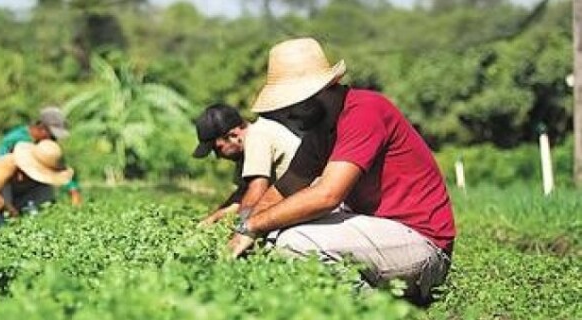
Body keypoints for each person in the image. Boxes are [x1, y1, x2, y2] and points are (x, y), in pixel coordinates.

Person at [229, 37, 456, 303]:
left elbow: (327, 196)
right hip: (382, 236)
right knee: (275, 233)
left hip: (422, 245)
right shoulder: (319, 132)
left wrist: (254, 225)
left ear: (323, 90)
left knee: (294, 242)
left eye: (293, 105)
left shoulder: (365, 111)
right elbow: (283, 189)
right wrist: (243, 229)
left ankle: (372, 312)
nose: (288, 115)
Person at [192, 103, 301, 225]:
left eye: (218, 149)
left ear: (234, 135)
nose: (218, 156)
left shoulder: (257, 136)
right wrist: (213, 218)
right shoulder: (246, 146)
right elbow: (242, 194)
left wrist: (239, 228)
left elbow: (256, 191)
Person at [0, 139, 73, 228]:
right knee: (3, 188)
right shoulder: (7, 165)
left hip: (12, 209)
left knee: (46, 191)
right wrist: (14, 216)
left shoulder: (39, 183)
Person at [0, 106, 83, 206]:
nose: (53, 140)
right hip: (8, 187)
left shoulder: (47, 145)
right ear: (41, 128)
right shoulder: (14, 140)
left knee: (46, 191)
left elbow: (58, 168)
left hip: (30, 189)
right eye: (52, 135)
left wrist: (73, 189)